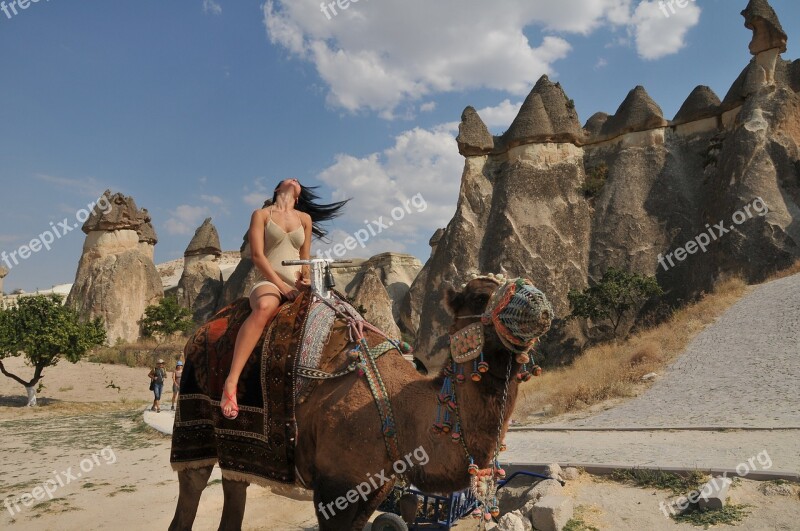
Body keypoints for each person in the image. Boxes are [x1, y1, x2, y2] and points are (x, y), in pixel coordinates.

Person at [221, 179, 348, 419]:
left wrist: (305, 280)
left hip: (296, 284)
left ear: (298, 197)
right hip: (270, 281)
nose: (293, 181)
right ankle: (231, 381)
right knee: (264, 306)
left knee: (336, 311)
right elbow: (258, 256)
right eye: (288, 180)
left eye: (297, 182)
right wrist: (281, 286)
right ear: (278, 189)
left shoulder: (304, 219)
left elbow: (305, 257)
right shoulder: (261, 214)